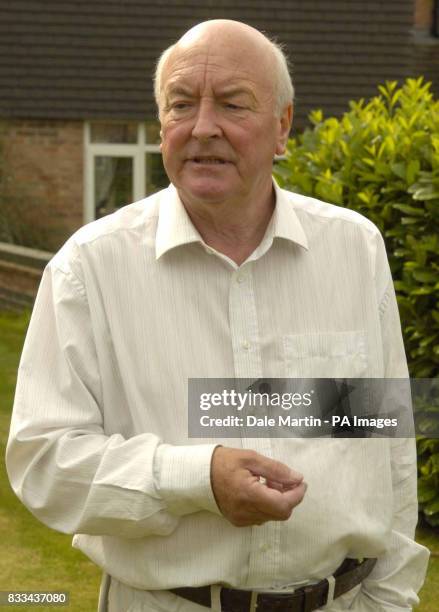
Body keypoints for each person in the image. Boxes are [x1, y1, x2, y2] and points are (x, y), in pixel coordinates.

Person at [6, 19, 429, 612]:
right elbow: (43, 462)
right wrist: (196, 477)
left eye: (233, 104)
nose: (204, 127)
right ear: (162, 128)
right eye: (182, 105)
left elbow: (387, 446)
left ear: (282, 128)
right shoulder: (89, 268)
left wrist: (390, 597)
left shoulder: (354, 249)